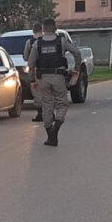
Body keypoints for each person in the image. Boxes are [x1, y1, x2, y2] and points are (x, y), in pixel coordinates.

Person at [27, 18, 81, 147]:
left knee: (47, 105)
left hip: (42, 78)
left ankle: (50, 134)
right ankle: (56, 127)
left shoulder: (37, 44)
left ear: (44, 29)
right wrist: (77, 69)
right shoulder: (61, 41)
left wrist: (32, 80)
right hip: (58, 77)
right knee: (61, 104)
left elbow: (30, 64)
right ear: (55, 28)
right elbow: (77, 53)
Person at [23, 22, 44, 122]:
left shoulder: (30, 42)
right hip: (49, 71)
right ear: (42, 30)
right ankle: (50, 113)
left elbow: (26, 57)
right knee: (48, 92)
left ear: (33, 30)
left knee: (37, 93)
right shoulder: (47, 40)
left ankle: (40, 114)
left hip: (35, 71)